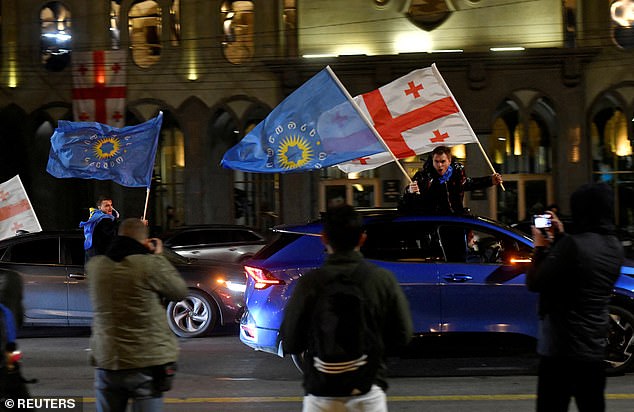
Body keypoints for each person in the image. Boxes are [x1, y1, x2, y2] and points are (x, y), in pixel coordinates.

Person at [280, 205, 413, 412]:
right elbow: (402, 335)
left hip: (321, 397)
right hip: (367, 394)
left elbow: (290, 341)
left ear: (323, 238)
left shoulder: (310, 283)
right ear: (362, 238)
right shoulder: (380, 279)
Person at [526, 183, 624, 412]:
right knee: (592, 405)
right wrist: (562, 236)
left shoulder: (573, 245)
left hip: (561, 348)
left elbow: (536, 282)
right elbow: (580, 272)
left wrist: (539, 247)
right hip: (593, 348)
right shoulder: (614, 246)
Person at [87, 218, 188, 412]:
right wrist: (157, 256)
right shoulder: (148, 265)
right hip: (145, 362)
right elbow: (179, 291)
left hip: (107, 361)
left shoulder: (95, 267)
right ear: (145, 241)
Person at [400, 145, 503, 214]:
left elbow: (468, 183)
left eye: (442, 161)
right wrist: (409, 192)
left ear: (449, 161)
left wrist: (490, 180)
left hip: (454, 220)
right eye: (436, 161)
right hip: (433, 222)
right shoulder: (423, 177)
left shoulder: (457, 174)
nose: (439, 165)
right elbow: (405, 203)